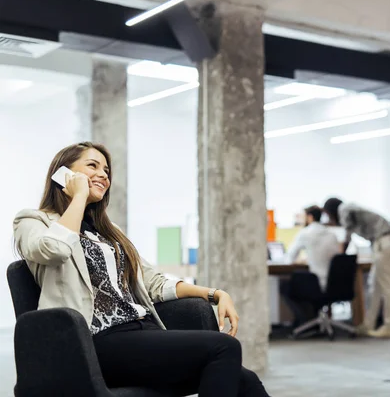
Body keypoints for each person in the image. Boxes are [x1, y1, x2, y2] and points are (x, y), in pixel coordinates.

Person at [13, 142, 269, 396]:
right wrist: (78, 196)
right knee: (223, 348)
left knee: (245, 379)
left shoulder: (111, 233)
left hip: (141, 331)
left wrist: (214, 293)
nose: (103, 174)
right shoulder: (33, 221)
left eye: (106, 171)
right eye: (92, 165)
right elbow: (54, 250)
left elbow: (151, 281)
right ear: (63, 173)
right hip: (93, 342)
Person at [322, 198, 390, 338]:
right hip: (380, 241)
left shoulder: (344, 209)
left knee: (386, 285)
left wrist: (341, 255)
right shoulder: (350, 209)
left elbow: (347, 234)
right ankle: (368, 324)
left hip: (385, 240)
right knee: (374, 285)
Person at [279, 206, 340, 327]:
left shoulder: (305, 233)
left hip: (316, 283)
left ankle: (304, 321)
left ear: (310, 217)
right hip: (335, 284)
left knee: (285, 285)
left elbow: (289, 258)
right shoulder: (332, 234)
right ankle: (314, 320)